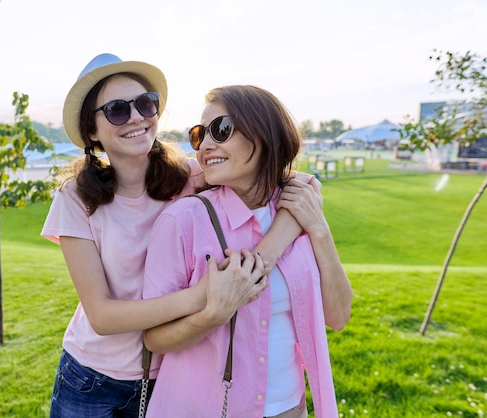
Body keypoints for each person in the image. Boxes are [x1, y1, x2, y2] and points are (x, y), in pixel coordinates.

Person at [40, 54, 316, 417]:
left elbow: (301, 184)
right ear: (92, 131)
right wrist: (206, 296)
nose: (137, 117)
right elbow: (102, 316)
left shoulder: (188, 176)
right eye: (118, 110)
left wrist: (261, 260)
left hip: (167, 374)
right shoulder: (75, 196)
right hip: (92, 378)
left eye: (145, 103)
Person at [143, 85, 353, 418]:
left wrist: (320, 230)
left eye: (221, 130)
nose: (205, 145)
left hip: (289, 409)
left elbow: (339, 317)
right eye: (199, 136)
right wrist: (213, 315)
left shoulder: (300, 209)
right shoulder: (182, 222)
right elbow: (154, 339)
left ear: (263, 133)